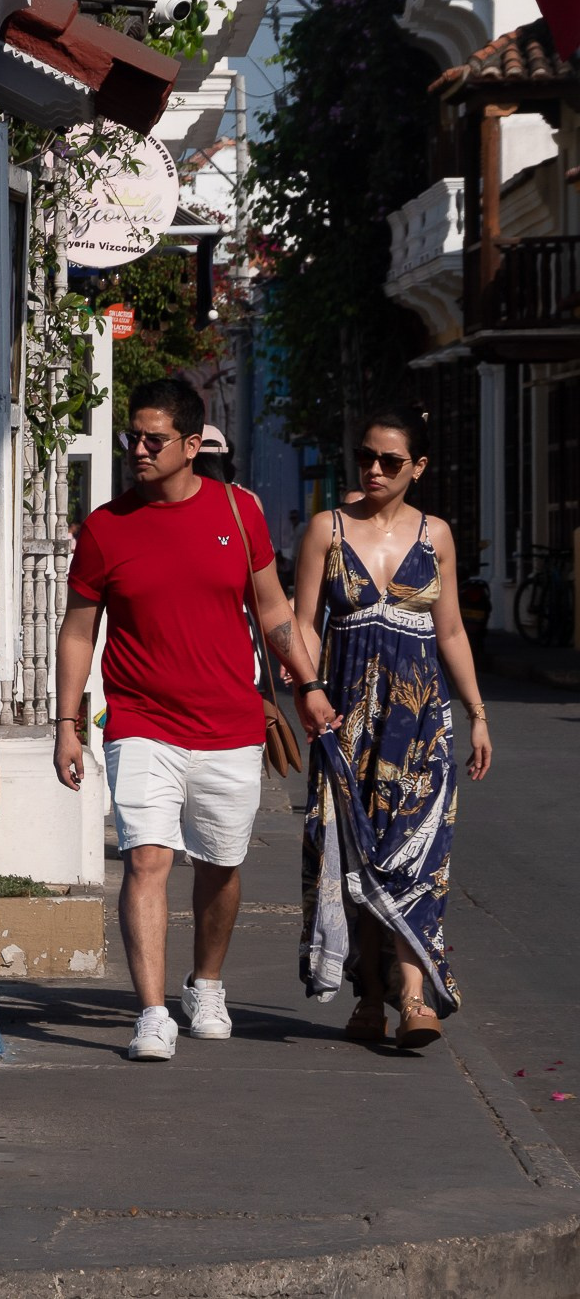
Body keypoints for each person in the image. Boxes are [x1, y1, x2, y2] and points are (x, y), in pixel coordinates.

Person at [55, 378, 339, 1061]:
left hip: (228, 723)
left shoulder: (239, 513)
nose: (139, 449)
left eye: (154, 439)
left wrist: (307, 684)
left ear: (190, 444)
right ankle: (152, 1011)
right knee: (147, 859)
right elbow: (76, 631)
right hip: (140, 720)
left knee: (220, 863)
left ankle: (205, 981)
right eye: (133, 437)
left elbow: (273, 611)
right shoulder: (105, 527)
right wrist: (67, 721)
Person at [291, 411, 493, 1048]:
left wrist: (478, 714)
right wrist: (309, 691)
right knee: (358, 858)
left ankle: (412, 993)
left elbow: (451, 630)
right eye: (365, 457)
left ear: (418, 468)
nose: (374, 470)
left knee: (418, 858)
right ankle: (369, 995)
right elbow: (301, 625)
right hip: (346, 721)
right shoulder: (327, 529)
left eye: (390, 461)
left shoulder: (437, 537)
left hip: (422, 725)